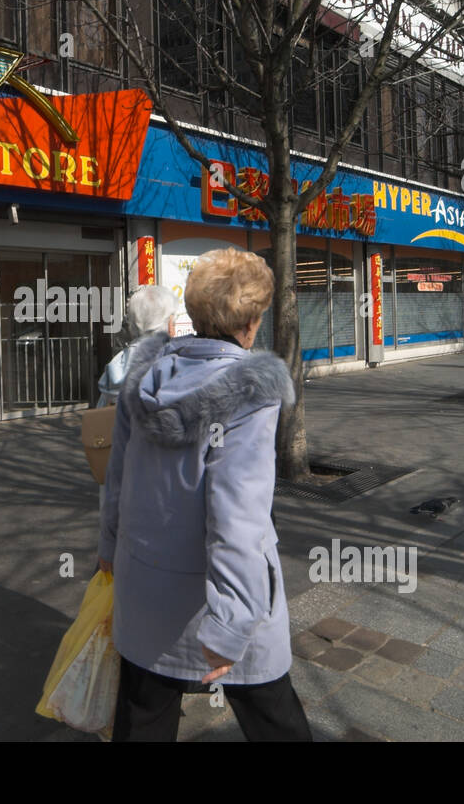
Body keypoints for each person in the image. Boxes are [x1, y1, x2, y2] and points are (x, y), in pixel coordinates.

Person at [98, 248, 311, 742]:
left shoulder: (144, 377)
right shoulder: (251, 391)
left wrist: (108, 550)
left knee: (143, 715)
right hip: (215, 596)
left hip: (145, 584)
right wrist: (233, 622)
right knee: (274, 716)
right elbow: (238, 515)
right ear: (252, 322)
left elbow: (117, 478)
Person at [95, 285, 180, 408]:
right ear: (167, 323)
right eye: (173, 321)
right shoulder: (170, 362)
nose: (174, 328)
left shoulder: (117, 365)